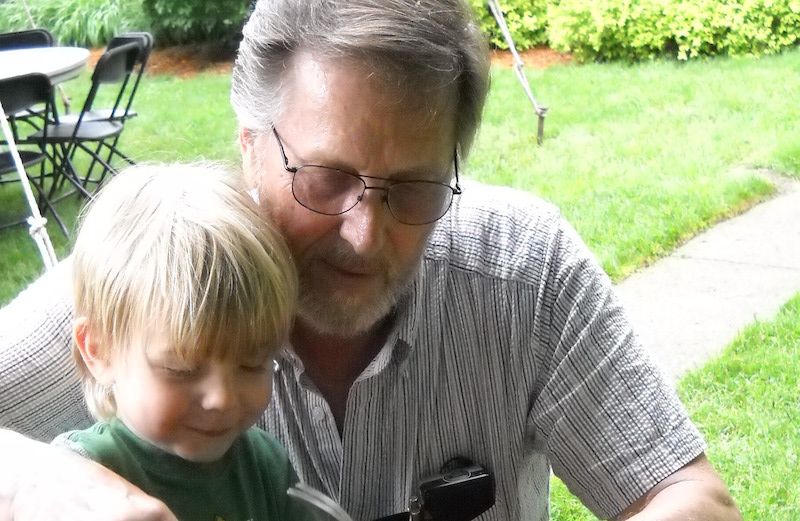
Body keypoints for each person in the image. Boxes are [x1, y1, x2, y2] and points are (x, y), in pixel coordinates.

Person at [0, 0, 742, 520]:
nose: (364, 234)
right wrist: (33, 482)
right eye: (325, 179)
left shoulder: (524, 270)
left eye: (414, 188)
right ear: (250, 145)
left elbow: (683, 494)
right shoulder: (162, 271)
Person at [46, 163, 314, 520]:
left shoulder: (265, 465)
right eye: (182, 368)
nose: (221, 398)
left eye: (253, 363)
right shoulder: (77, 477)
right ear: (98, 349)